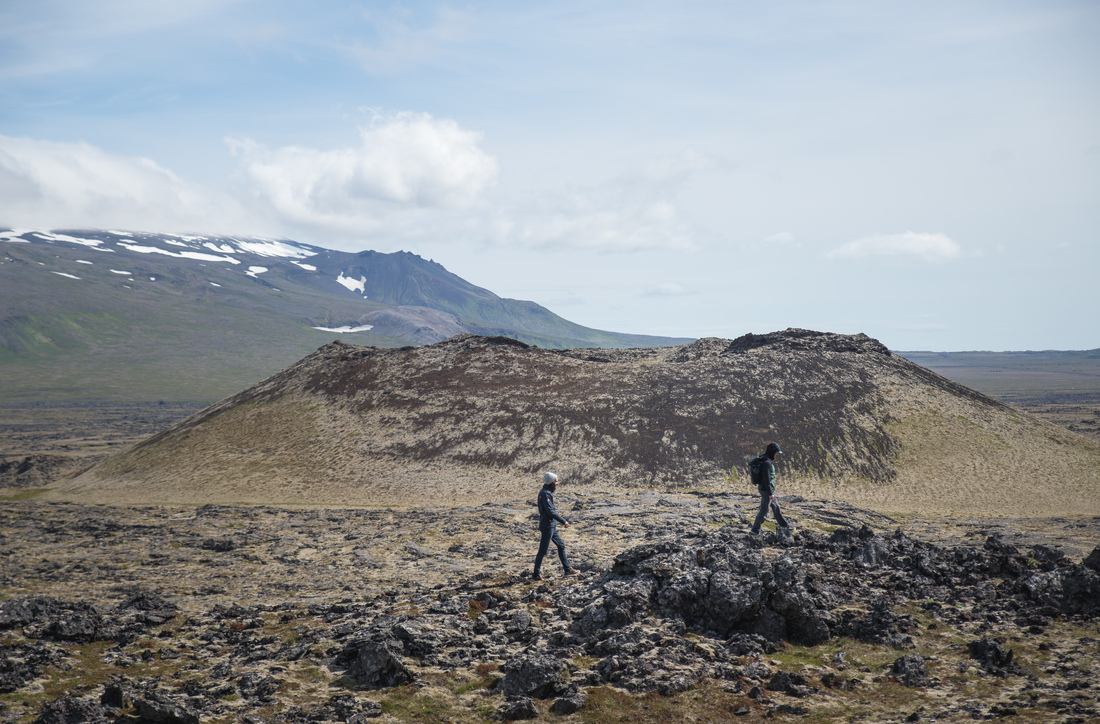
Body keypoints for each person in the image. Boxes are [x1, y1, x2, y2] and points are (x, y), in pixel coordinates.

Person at [532, 471, 573, 580]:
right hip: (548, 526)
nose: (557, 484)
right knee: (543, 551)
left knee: (561, 545)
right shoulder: (545, 494)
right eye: (556, 482)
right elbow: (550, 512)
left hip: (551, 525)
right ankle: (536, 574)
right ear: (551, 483)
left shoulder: (545, 492)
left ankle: (567, 569)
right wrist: (564, 521)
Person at [750, 442, 791, 536]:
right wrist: (770, 494)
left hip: (767, 490)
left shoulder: (765, 460)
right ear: (772, 452)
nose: (776, 455)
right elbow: (766, 480)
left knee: (776, 508)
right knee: (764, 511)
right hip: (766, 490)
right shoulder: (766, 463)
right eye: (776, 453)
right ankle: (754, 530)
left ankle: (784, 526)